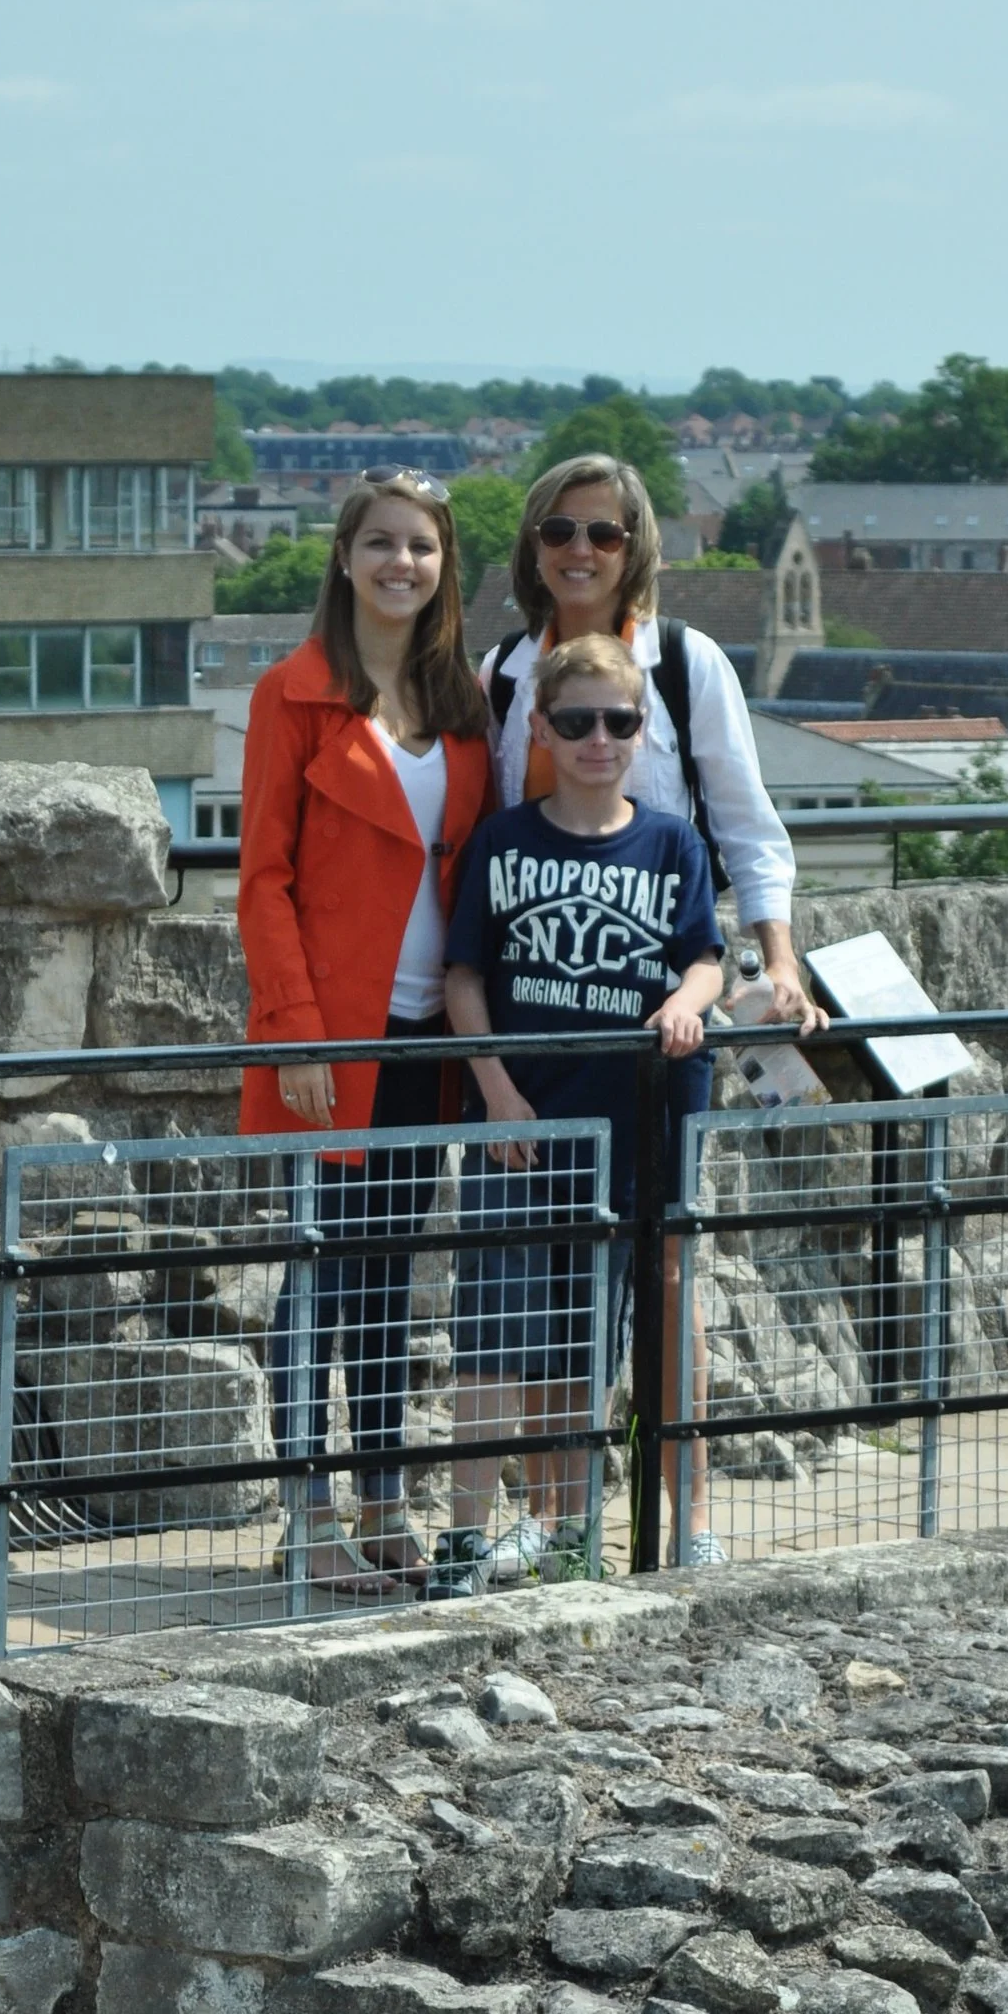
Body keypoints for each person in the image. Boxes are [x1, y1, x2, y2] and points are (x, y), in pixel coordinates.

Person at [479, 447, 819, 1563]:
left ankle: (690, 1521)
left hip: (661, 1011)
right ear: (532, 548)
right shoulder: (501, 672)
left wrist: (778, 960)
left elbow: (745, 820)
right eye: (561, 531)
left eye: (606, 533)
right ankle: (549, 1517)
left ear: (638, 549)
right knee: (538, 1278)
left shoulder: (681, 662)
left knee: (669, 1275)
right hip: (538, 1025)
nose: (581, 550)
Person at [237, 472, 493, 1592]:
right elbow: (261, 880)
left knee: (389, 1276)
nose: (402, 563)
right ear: (342, 558)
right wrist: (294, 1032)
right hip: (330, 1036)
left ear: (446, 567)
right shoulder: (288, 696)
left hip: (428, 1037)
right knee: (318, 1275)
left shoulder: (462, 700)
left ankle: (384, 1502)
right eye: (381, 543)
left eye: (423, 547)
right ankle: (308, 1520)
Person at [432, 630, 722, 1596]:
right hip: (528, 1122)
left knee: (619, 1331)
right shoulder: (505, 839)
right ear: (544, 730)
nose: (599, 738)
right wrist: (496, 1091)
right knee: (501, 1332)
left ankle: (622, 1530)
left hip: (639, 1117)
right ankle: (475, 1536)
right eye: (576, 721)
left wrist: (687, 1001)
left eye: (619, 720)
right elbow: (465, 973)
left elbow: (706, 956)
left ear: (642, 731)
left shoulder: (671, 840)